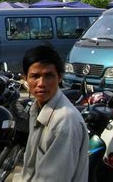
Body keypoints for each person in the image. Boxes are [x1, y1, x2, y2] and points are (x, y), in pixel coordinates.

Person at [16, 45, 88, 182]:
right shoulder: (36, 109)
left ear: (59, 77)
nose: (41, 83)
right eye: (35, 76)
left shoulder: (65, 121)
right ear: (25, 78)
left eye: (48, 76)